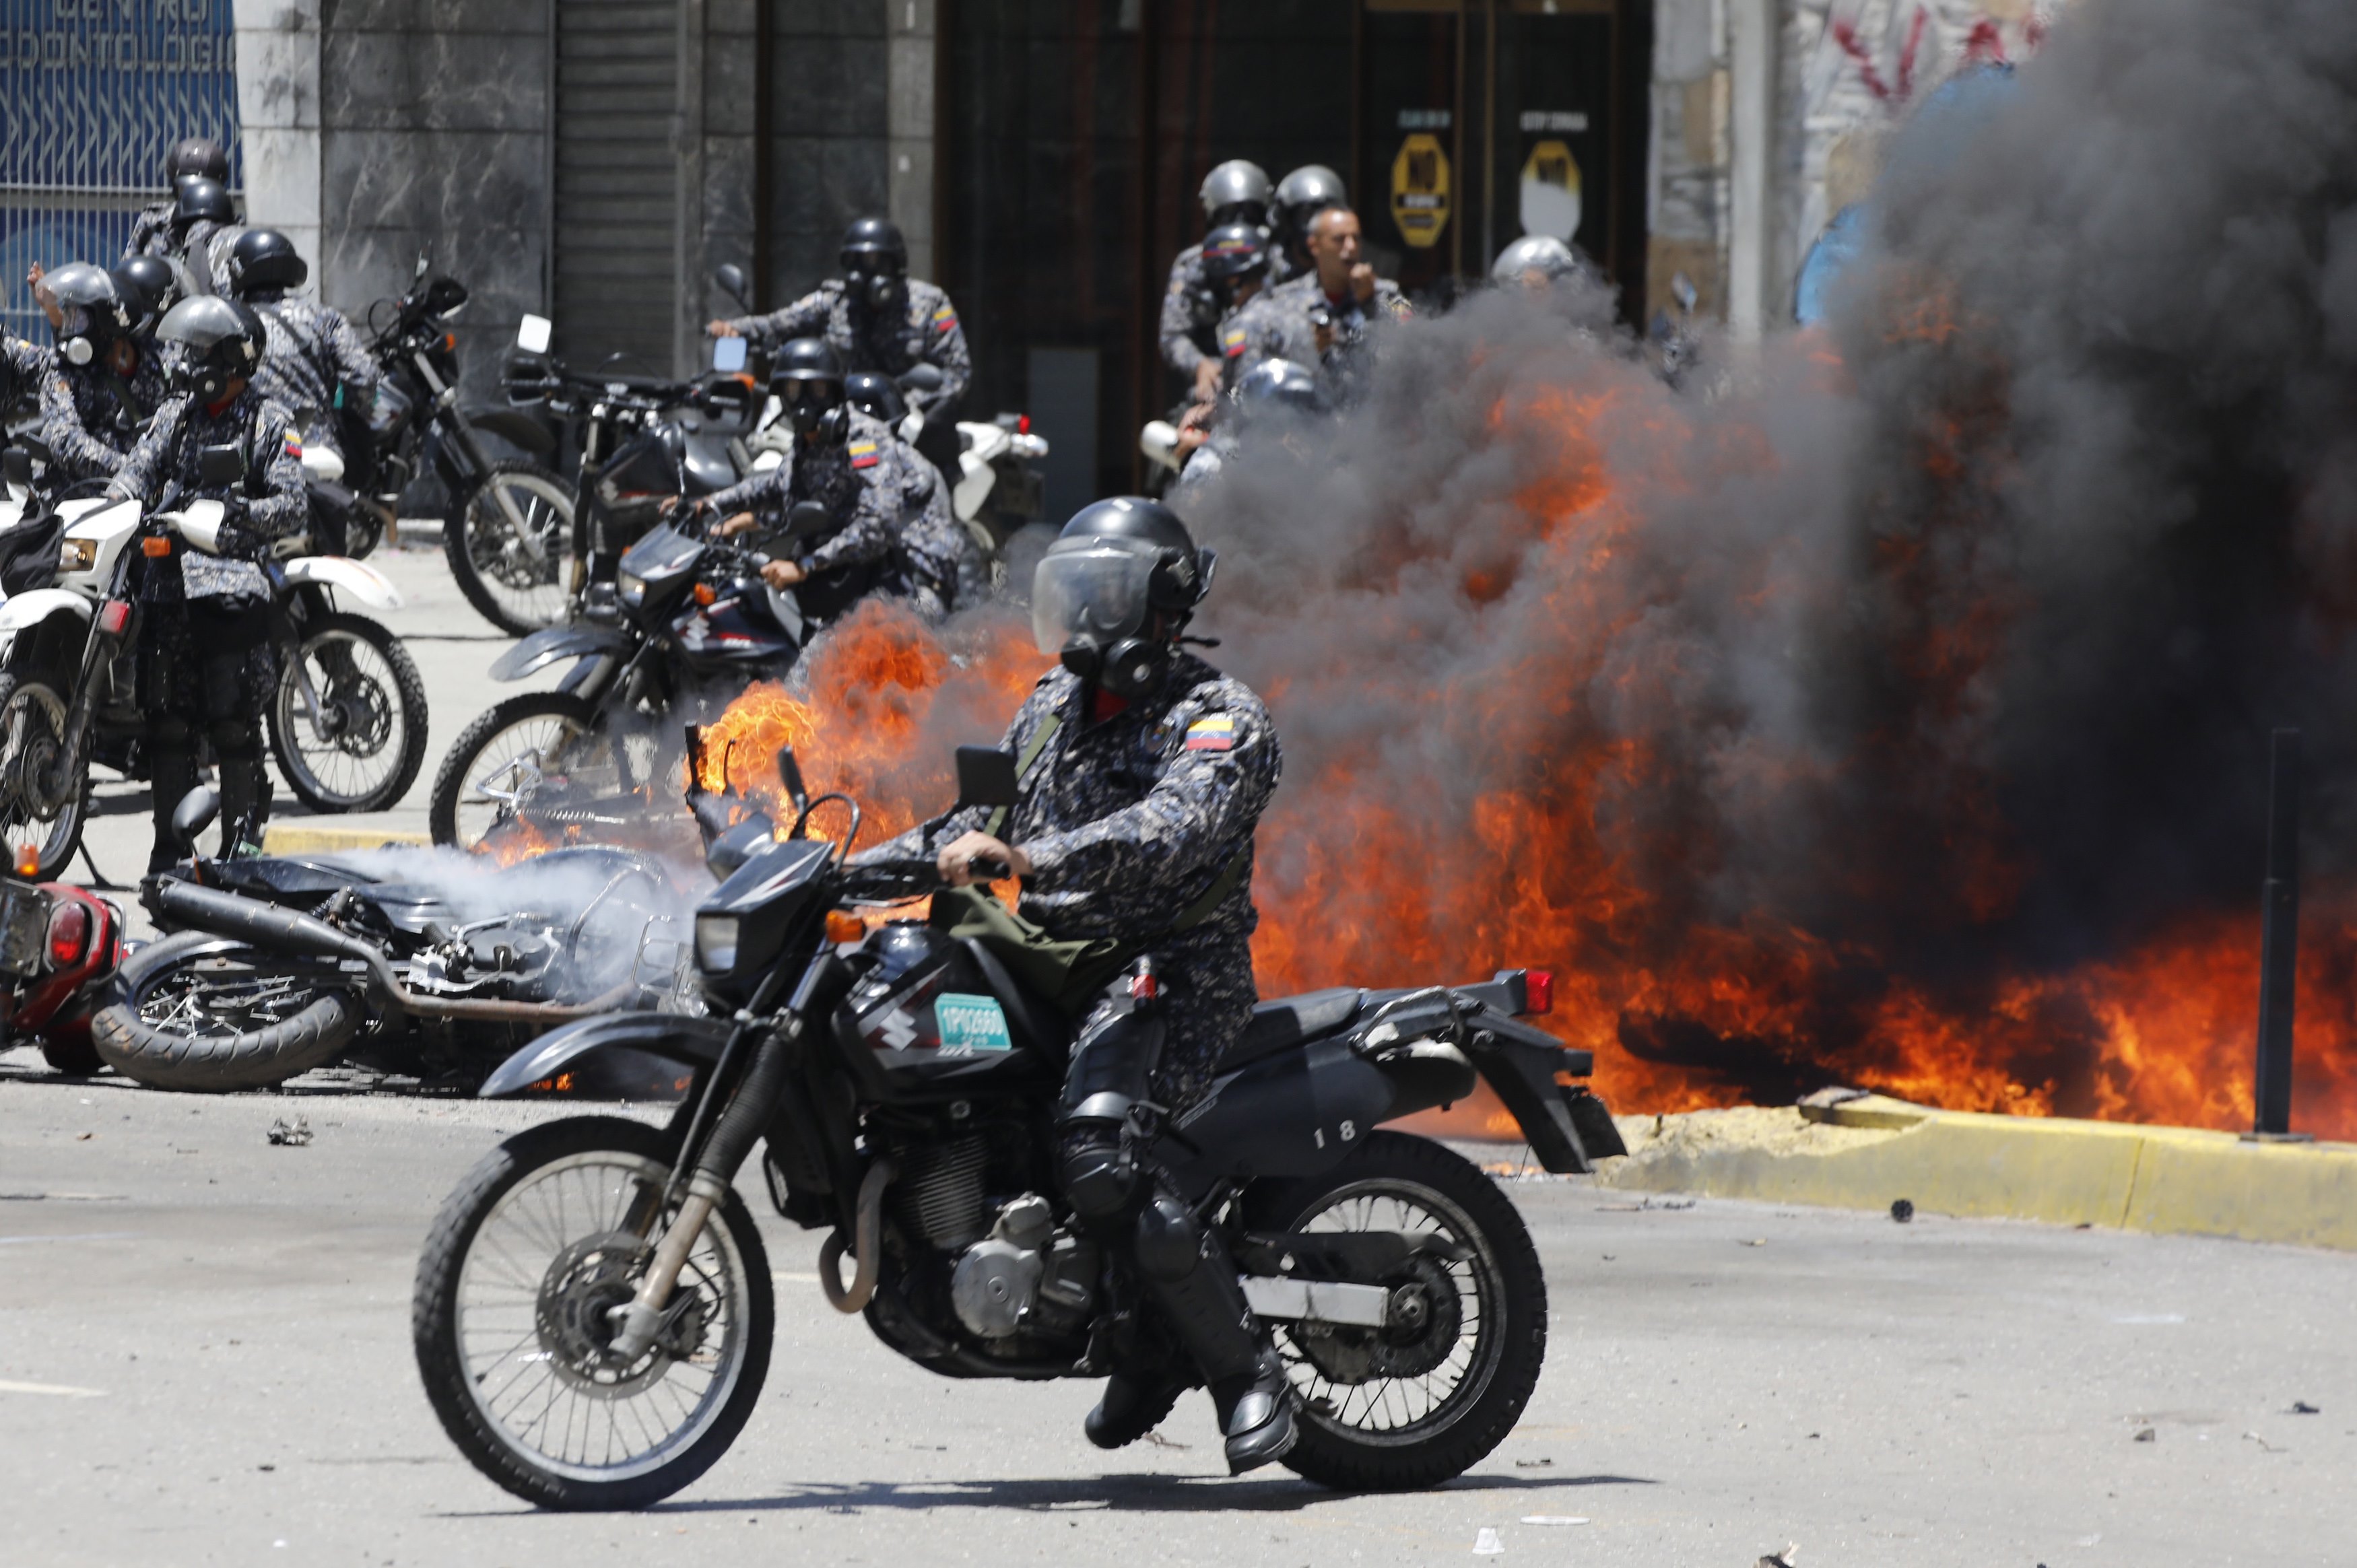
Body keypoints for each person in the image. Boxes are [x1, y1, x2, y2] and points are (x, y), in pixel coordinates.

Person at [861, 496, 1295, 1473]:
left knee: (1098, 1155)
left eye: (1111, 598)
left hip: (1170, 974)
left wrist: (1023, 856)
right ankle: (1137, 1335)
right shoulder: (1053, 705)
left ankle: (1245, 1372)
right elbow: (963, 828)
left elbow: (1166, 835)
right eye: (1078, 598)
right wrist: (847, 868)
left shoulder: (1220, 718)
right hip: (1050, 963)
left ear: (1164, 606)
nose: (1090, 622)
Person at [103, 297, 306, 870]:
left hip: (231, 588)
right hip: (168, 591)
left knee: (233, 724)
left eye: (201, 353)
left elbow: (292, 504)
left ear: (234, 359)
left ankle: (242, 853)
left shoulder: (270, 421)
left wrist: (237, 513)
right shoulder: (177, 414)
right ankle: (170, 854)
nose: (189, 364)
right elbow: (138, 467)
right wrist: (115, 502)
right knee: (167, 727)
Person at [688, 337, 923, 627]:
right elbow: (776, 487)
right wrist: (710, 504)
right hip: (836, 587)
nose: (803, 402)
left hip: (878, 595)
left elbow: (879, 524)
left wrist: (805, 567)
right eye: (793, 390)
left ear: (834, 392)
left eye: (817, 389)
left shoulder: (864, 437)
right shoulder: (806, 443)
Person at [707, 217, 970, 475]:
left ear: (894, 264)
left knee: (925, 482)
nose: (862, 272)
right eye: (853, 262)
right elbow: (780, 323)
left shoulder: (929, 303)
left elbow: (957, 371)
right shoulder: (836, 301)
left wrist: (910, 404)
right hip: (840, 417)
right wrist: (735, 329)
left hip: (907, 423)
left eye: (871, 261)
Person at [225, 228, 380, 500]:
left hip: (247, 451)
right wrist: (348, 419)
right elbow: (364, 378)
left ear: (239, 271)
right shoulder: (322, 318)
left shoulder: (229, 320)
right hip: (317, 451)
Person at [1230, 206, 1411, 400]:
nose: (1350, 247)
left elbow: (1411, 351)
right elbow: (1248, 378)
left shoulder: (1386, 296)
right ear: (1314, 246)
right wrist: (1309, 350)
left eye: (1356, 239)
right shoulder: (1280, 303)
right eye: (1339, 239)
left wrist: (1370, 304)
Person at [1158, 160, 1290, 399]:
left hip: (1275, 378)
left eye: (1249, 214)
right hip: (1214, 384)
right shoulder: (1194, 264)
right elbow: (1173, 335)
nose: (1240, 223)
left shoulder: (1279, 261)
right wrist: (1200, 365)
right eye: (1229, 215)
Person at [38, 263, 174, 485]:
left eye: (79, 320)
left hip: (142, 505)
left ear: (107, 327)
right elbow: (65, 440)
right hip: (77, 501)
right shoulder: (65, 373)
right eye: (70, 318)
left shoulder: (159, 366)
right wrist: (134, 471)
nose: (71, 329)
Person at [125, 137, 231, 263]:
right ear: (175, 188)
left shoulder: (228, 229)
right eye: (186, 189)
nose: (195, 197)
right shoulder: (154, 221)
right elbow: (127, 269)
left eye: (202, 189)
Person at [1269, 164, 1347, 277]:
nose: (1316, 225)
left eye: (1324, 215)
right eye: (1307, 215)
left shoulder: (1350, 266)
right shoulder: (1270, 268)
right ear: (1288, 221)